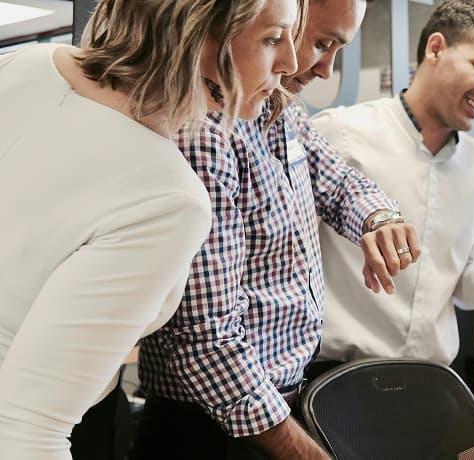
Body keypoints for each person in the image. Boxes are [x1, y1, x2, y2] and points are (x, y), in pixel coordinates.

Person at [0, 0, 295, 457]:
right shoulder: (168, 199)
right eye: (273, 38)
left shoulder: (24, 65)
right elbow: (25, 432)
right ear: (195, 31)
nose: (291, 62)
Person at [133, 0, 418, 459]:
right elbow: (208, 345)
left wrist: (379, 219)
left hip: (277, 404)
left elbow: (341, 182)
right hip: (214, 427)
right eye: (321, 44)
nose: (323, 70)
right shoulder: (203, 132)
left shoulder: (280, 110)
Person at [307, 0, 474, 373]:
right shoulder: (339, 135)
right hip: (336, 377)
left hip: (431, 381)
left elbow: (469, 295)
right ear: (435, 48)